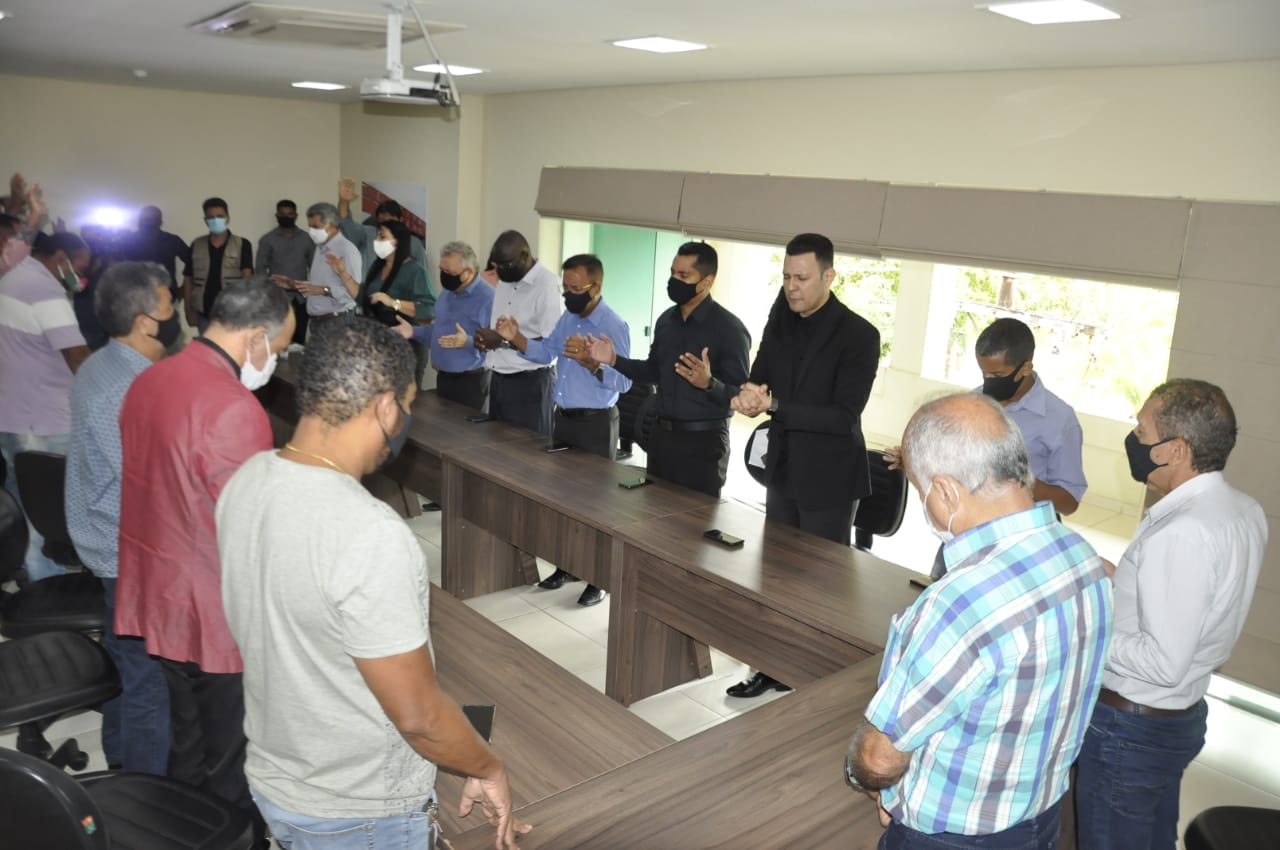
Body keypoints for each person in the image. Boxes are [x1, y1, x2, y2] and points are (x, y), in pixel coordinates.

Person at [218, 318, 531, 850]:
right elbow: (420, 718)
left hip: (276, 779)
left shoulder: (246, 480)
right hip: (358, 812)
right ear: (386, 408)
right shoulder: (370, 532)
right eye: (407, 404)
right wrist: (487, 766)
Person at [844, 392, 1112, 850]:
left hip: (951, 837)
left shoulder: (960, 602)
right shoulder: (1086, 560)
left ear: (946, 492)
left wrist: (865, 778)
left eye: (921, 490)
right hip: (1039, 821)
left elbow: (881, 758)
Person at [116, 278, 295, 848]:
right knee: (234, 760)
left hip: (159, 593)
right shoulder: (234, 407)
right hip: (214, 608)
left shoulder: (150, 379)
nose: (276, 361)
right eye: (279, 349)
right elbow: (254, 531)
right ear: (256, 337)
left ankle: (182, 835)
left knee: (188, 745)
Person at [1076, 379, 1267, 850]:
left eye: (1141, 432)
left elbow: (1162, 661)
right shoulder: (1242, 510)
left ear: (1176, 450)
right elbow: (1197, 606)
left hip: (1131, 730)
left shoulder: (1182, 533)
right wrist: (1120, 578)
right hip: (1178, 716)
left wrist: (1086, 626)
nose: (1133, 440)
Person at [725, 233, 881, 698]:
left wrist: (775, 405)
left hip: (830, 479)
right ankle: (770, 666)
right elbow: (760, 375)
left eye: (802, 278)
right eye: (786, 277)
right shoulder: (782, 321)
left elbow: (843, 416)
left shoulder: (859, 335)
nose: (792, 287)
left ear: (829, 276)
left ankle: (812, 677)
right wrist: (750, 393)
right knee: (775, 576)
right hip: (784, 469)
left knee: (818, 585)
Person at [65, 261, 176, 775]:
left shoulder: (101, 364)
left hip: (110, 541)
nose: (176, 314)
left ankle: (119, 766)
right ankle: (144, 792)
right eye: (169, 304)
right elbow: (151, 484)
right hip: (128, 550)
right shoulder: (128, 390)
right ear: (145, 321)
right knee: (147, 679)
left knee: (125, 664)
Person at [495, 254, 631, 607]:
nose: (568, 294)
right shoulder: (569, 318)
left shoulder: (613, 325)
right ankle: (568, 566)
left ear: (596, 287)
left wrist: (592, 363)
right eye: (565, 287)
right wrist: (515, 337)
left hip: (596, 423)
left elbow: (626, 382)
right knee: (564, 500)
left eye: (575, 288)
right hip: (565, 419)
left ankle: (598, 579)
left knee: (595, 505)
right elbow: (546, 353)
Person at [585, 241, 750, 498]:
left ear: (707, 281)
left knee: (693, 519)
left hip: (702, 444)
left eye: (684, 275)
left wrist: (709, 383)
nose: (674, 280)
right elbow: (652, 372)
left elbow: (741, 396)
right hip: (661, 439)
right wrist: (614, 359)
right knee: (654, 513)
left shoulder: (729, 329)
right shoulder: (666, 321)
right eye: (673, 273)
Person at [0, 231, 92, 582]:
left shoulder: (12, 276)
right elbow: (77, 355)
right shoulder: (43, 289)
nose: (79, 277)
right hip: (43, 419)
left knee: (22, 501)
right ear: (60, 258)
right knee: (47, 508)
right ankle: (46, 583)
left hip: (13, 413)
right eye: (78, 268)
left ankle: (29, 572)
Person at [473, 230, 562, 435]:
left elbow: (552, 345)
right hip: (499, 378)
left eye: (506, 265)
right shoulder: (506, 279)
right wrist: (486, 339)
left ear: (524, 256)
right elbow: (502, 330)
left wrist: (503, 341)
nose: (500, 272)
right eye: (497, 266)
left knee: (526, 451)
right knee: (496, 447)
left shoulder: (547, 286)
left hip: (531, 383)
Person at [395, 239, 493, 411]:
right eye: (442, 270)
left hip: (471, 382)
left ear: (468, 271)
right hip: (444, 378)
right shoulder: (447, 293)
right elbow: (439, 331)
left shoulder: (488, 298)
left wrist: (467, 342)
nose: (444, 275)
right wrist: (412, 331)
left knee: (465, 428)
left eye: (449, 271)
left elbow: (494, 344)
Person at [273, 202, 362, 328]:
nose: (312, 232)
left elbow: (354, 294)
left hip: (338, 320)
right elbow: (318, 285)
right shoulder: (320, 248)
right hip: (317, 321)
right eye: (310, 227)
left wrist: (323, 290)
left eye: (316, 227)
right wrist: (294, 285)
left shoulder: (347, 250)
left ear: (332, 224)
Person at [183, 197, 253, 334]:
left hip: (233, 313)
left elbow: (248, 279)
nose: (216, 220)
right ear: (205, 220)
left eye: (220, 216)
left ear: (228, 217)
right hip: (203, 313)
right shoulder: (197, 244)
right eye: (211, 217)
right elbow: (188, 279)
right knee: (206, 347)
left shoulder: (242, 244)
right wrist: (188, 310)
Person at [336, 178, 426, 278]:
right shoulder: (368, 234)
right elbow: (346, 224)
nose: (387, 226)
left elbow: (422, 276)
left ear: (400, 220)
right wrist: (343, 201)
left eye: (391, 221)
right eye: (383, 221)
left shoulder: (414, 244)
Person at [255, 199, 314, 345]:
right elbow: (260, 270)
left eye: (290, 214)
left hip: (301, 298)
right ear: (277, 216)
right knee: (277, 342)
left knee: (299, 342)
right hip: (277, 299)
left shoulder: (307, 239)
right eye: (282, 214)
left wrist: (312, 290)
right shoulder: (267, 240)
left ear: (296, 216)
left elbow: (315, 267)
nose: (286, 217)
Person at [121, 205, 190, 301]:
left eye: (152, 219)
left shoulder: (172, 240)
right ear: (140, 221)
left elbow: (194, 264)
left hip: (166, 298)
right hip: (135, 298)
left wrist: (183, 290)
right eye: (145, 219)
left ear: (160, 222)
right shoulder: (128, 241)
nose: (148, 223)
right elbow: (116, 268)